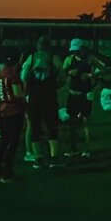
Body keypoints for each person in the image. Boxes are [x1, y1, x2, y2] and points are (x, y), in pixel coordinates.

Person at [21, 36, 64, 168]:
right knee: (52, 126)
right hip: (49, 95)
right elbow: (63, 77)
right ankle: (54, 157)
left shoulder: (31, 58)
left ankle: (38, 158)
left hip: (34, 96)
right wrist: (55, 86)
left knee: (34, 126)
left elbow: (23, 77)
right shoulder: (53, 58)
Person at [62, 39, 104, 157]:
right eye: (73, 50)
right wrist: (71, 72)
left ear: (82, 48)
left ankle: (87, 148)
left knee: (86, 122)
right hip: (73, 93)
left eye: (76, 50)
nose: (74, 52)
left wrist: (91, 75)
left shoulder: (90, 59)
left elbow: (104, 69)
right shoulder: (69, 59)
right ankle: (73, 148)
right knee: (72, 122)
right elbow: (63, 71)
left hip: (85, 94)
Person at [0, 48, 27, 183]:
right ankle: (8, 172)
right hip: (14, 110)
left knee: (4, 141)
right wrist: (25, 99)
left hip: (3, 109)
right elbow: (17, 94)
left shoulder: (1, 73)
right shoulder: (14, 75)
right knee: (13, 142)